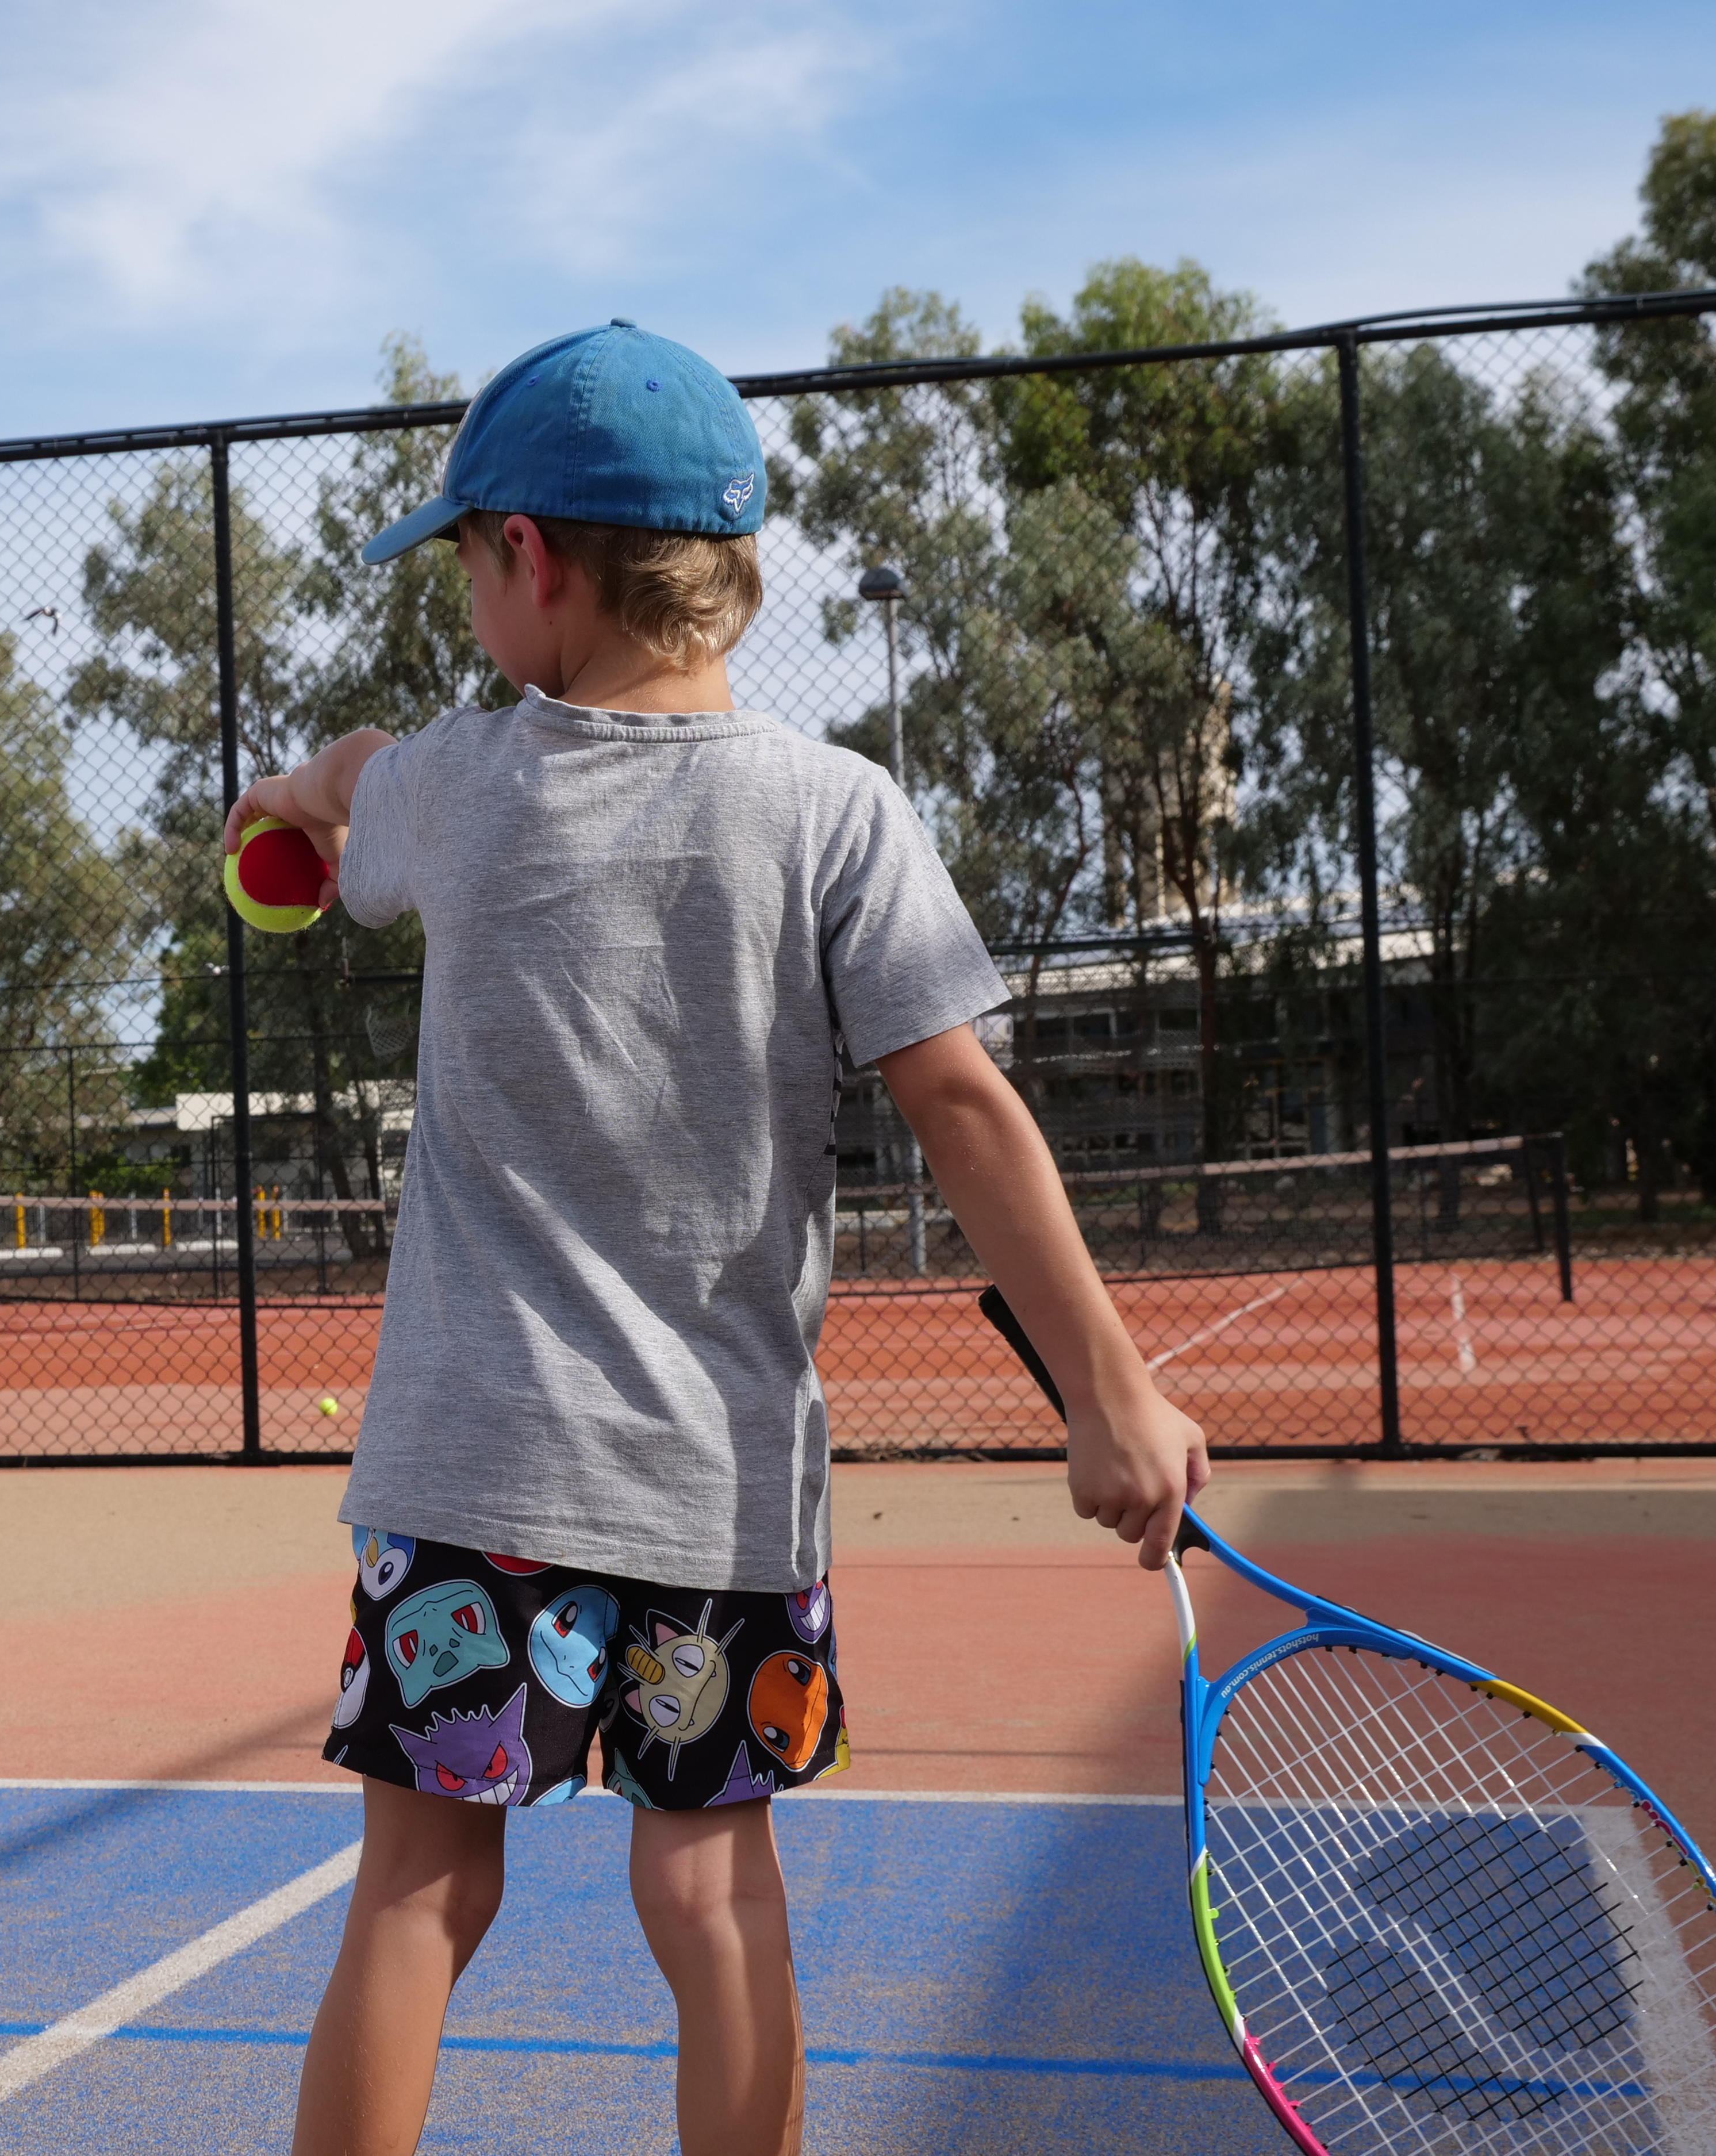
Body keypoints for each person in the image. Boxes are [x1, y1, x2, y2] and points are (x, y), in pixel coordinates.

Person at [221, 320, 1210, 2156]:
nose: (464, 608)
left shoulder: (459, 784)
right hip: (720, 1492)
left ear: (532, 559)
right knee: (708, 1897)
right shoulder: (835, 810)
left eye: (461, 564)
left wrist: (297, 792)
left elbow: (359, 781)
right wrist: (1111, 1393)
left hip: (468, 1470)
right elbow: (968, 1106)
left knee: (422, 1896)